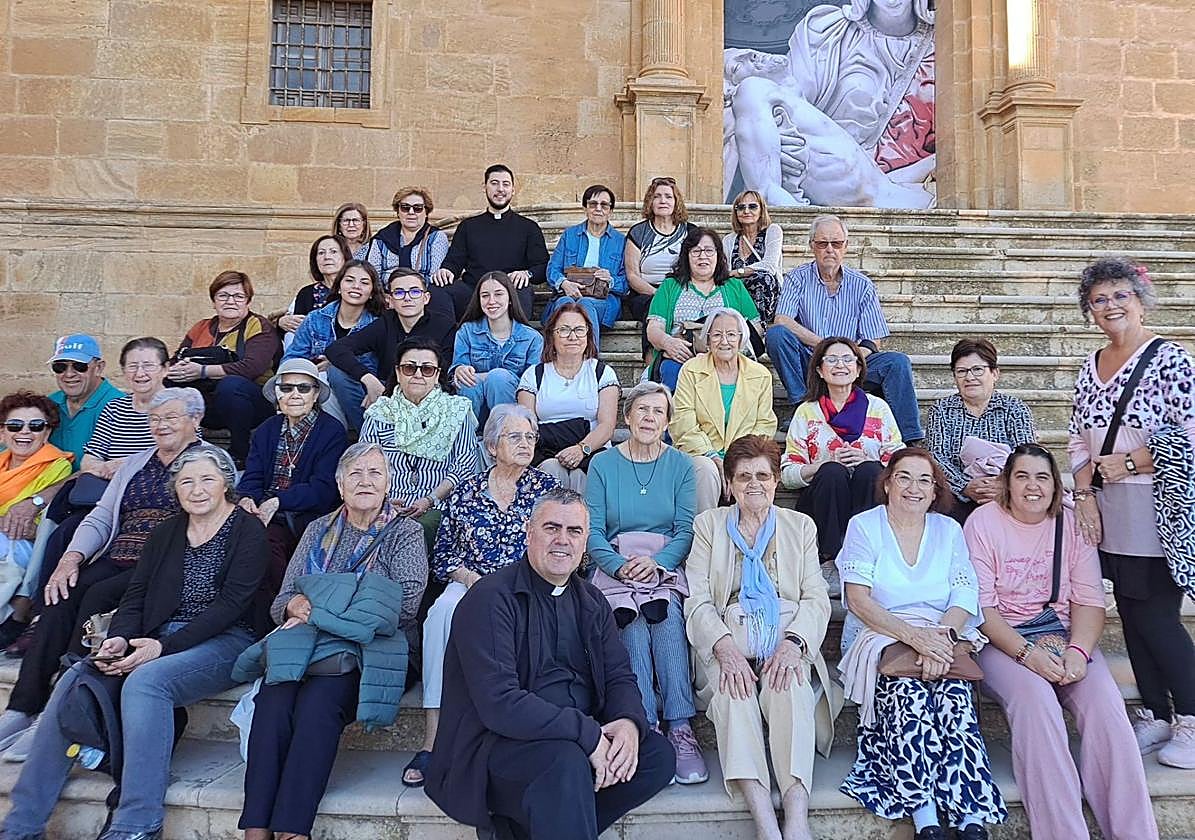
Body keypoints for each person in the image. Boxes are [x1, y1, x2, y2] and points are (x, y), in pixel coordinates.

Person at [0, 444, 267, 840]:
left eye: (207, 480)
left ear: (226, 484)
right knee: (74, 678)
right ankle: (22, 824)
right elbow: (136, 595)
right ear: (175, 489)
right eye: (187, 482)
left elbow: (232, 605)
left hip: (227, 640)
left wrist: (160, 649)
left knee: (147, 682)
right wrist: (120, 638)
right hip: (159, 633)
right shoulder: (166, 532)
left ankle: (137, 823)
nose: (197, 490)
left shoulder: (248, 531)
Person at [424, 487, 676, 840]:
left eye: (574, 531)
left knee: (656, 756)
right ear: (529, 533)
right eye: (551, 528)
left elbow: (619, 675)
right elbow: (500, 705)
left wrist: (628, 724)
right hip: (498, 745)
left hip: (572, 738)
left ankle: (535, 824)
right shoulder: (490, 598)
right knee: (566, 763)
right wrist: (588, 736)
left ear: (585, 542)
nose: (563, 540)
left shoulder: (592, 601)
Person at [964, 443, 1158, 840]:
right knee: (1037, 704)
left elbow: (1089, 600)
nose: (1032, 486)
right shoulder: (982, 523)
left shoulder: (1071, 521)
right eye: (1021, 476)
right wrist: (1027, 654)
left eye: (1042, 477)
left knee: (1106, 706)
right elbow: (982, 610)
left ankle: (1134, 832)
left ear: (1055, 485)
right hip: (1003, 639)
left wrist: (1078, 651)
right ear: (1006, 483)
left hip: (1064, 633)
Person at [238, 442, 428, 840]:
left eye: (375, 473)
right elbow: (283, 600)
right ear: (340, 485)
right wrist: (298, 605)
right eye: (355, 474)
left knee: (318, 704)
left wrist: (319, 607)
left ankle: (292, 829)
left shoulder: (405, 532)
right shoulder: (317, 529)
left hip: (374, 651)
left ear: (388, 483)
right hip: (308, 647)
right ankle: (256, 827)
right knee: (273, 701)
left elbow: (404, 605)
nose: (365, 481)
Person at [0, 388, 204, 757]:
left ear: (196, 420)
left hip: (167, 565)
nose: (161, 425)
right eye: (155, 419)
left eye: (171, 418)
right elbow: (102, 516)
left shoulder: (208, 463)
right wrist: (70, 558)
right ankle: (21, 707)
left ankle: (57, 714)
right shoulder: (137, 462)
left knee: (95, 598)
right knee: (60, 594)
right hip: (119, 555)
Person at [836, 448, 1005, 840]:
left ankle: (969, 813)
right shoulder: (865, 526)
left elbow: (965, 595)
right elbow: (859, 600)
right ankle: (924, 811)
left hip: (942, 632)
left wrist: (941, 640)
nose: (914, 488)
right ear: (888, 484)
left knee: (954, 698)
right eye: (904, 477)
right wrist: (915, 639)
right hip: (881, 632)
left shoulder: (949, 530)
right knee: (908, 693)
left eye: (924, 480)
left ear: (934, 491)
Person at [1068, 256, 1195, 766]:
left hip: (1158, 505)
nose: (1110, 305)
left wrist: (1130, 461)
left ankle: (1191, 717)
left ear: (1141, 300)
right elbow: (1078, 439)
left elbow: (1190, 434)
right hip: (1108, 507)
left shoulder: (1170, 359)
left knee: (1155, 615)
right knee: (1130, 611)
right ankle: (1158, 714)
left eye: (1120, 295)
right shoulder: (1090, 364)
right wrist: (1084, 496)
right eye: (1099, 299)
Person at [684, 435, 840, 840]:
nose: (754, 484)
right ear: (729, 484)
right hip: (728, 644)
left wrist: (793, 644)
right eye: (743, 477)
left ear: (776, 481)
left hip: (785, 644)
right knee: (732, 693)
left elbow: (816, 597)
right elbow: (697, 599)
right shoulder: (709, 526)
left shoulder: (800, 526)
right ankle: (765, 821)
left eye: (762, 476)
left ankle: (796, 815)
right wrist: (724, 648)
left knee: (790, 687)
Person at [407, 406, 558, 787]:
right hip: (472, 582)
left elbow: (559, 550)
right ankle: (433, 738)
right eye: (515, 437)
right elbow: (443, 554)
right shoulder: (467, 490)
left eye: (530, 437)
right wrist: (469, 578)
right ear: (491, 446)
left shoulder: (547, 491)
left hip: (527, 584)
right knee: (441, 613)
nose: (525, 444)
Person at [585, 382, 708, 785]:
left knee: (666, 617)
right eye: (642, 410)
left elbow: (685, 530)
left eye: (658, 412)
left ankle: (680, 725)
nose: (649, 418)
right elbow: (593, 531)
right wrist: (619, 567)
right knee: (630, 624)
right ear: (627, 416)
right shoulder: (602, 464)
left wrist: (657, 564)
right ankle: (645, 727)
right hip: (614, 566)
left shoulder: (681, 465)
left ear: (668, 422)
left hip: (663, 566)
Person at [765, 215, 924, 443]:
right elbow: (782, 319)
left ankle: (909, 439)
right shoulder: (796, 279)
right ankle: (804, 405)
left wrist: (847, 358)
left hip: (852, 363)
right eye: (822, 243)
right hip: (811, 363)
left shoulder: (862, 285)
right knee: (776, 335)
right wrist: (824, 347)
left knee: (897, 362)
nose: (830, 249)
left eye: (836, 243)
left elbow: (873, 340)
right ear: (812, 246)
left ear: (846, 247)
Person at [237, 357, 348, 603]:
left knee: (264, 544)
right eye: (286, 388)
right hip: (265, 512)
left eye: (303, 388)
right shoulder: (266, 430)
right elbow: (252, 476)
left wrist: (278, 501)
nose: (294, 394)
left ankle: (283, 606)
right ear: (278, 395)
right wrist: (247, 498)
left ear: (315, 394)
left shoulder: (332, 431)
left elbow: (323, 490)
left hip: (307, 516)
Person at [782, 337, 903, 562]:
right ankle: (830, 555)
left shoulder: (878, 408)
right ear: (819, 370)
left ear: (858, 369)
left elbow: (900, 463)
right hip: (824, 499)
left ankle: (865, 553)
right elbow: (788, 475)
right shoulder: (807, 411)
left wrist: (867, 459)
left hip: (867, 494)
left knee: (869, 470)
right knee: (832, 472)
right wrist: (823, 464)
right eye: (832, 360)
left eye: (848, 359)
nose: (840, 365)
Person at [360, 338, 480, 549]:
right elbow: (365, 465)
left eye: (426, 369)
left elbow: (464, 466)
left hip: (438, 505)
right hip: (386, 504)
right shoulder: (379, 413)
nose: (417, 374)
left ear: (437, 375)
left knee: (419, 528)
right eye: (409, 368)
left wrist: (429, 500)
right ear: (398, 373)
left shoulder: (456, 411)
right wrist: (384, 503)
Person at [166, 270, 280, 467]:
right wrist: (177, 370)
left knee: (231, 385)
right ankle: (177, 447)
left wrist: (202, 371)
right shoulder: (201, 327)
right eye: (223, 296)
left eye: (238, 296)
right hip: (208, 404)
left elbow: (252, 367)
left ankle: (240, 453)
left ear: (248, 301)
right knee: (167, 383)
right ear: (214, 301)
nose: (230, 301)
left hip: (251, 405)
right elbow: (175, 359)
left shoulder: (258, 325)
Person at [670, 309, 777, 512]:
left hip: (745, 453)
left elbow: (764, 424)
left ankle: (751, 530)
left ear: (741, 339)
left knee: (752, 471)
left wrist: (737, 458)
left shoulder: (760, 374)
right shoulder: (691, 370)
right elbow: (682, 422)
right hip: (701, 453)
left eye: (731, 334)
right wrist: (713, 456)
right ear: (708, 340)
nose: (724, 341)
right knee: (706, 470)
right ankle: (704, 530)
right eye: (717, 334)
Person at [926, 338, 1039, 521]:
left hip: (1005, 491)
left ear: (995, 373)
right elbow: (936, 456)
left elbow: (1027, 455)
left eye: (978, 369)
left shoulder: (1015, 409)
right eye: (961, 371)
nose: (970, 377)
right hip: (956, 494)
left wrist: (1002, 484)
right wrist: (966, 485)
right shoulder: (942, 410)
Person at [324, 268, 455, 418]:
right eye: (399, 293)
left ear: (426, 298)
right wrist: (368, 379)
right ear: (390, 301)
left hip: (426, 393)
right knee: (336, 373)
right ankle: (367, 428)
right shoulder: (385, 324)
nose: (407, 298)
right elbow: (336, 348)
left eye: (415, 292)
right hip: (386, 393)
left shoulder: (444, 326)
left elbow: (443, 373)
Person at [517, 304, 620, 493]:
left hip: (592, 449)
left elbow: (607, 426)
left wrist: (581, 449)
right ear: (552, 335)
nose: (573, 336)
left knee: (584, 476)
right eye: (564, 330)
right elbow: (527, 426)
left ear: (588, 334)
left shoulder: (602, 373)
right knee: (551, 470)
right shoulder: (534, 375)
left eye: (579, 330)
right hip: (546, 450)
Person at [646, 226, 763, 391]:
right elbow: (653, 329)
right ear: (686, 256)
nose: (703, 256)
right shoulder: (670, 286)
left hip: (725, 354)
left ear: (718, 255)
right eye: (696, 251)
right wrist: (668, 343)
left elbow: (756, 328)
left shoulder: (734, 286)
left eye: (709, 250)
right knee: (671, 370)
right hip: (682, 356)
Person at [433, 164, 549, 318]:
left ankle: (517, 335)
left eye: (505, 184)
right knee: (437, 291)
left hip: (511, 290)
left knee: (523, 292)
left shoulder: (528, 227)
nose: (500, 189)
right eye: (494, 183)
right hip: (473, 289)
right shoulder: (468, 226)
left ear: (513, 190)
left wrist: (527, 274)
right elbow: (455, 261)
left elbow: (542, 266)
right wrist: (446, 270)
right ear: (485, 187)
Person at [0, 394, 74, 634]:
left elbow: (34, 526)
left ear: (47, 433)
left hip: (21, 544)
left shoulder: (57, 466)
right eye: (15, 425)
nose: (25, 432)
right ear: (2, 433)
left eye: (36, 426)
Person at [284, 259, 386, 431]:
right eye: (349, 280)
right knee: (317, 380)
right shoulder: (315, 319)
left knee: (335, 373)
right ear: (339, 287)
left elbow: (377, 369)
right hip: (317, 389)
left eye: (364, 282)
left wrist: (335, 362)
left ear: (371, 293)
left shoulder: (378, 325)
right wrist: (312, 369)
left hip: (360, 394)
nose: (356, 286)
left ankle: (362, 433)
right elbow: (291, 360)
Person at [450, 271, 543, 425]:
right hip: (476, 402)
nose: (491, 301)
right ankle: (468, 435)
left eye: (498, 294)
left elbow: (532, 384)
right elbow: (459, 368)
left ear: (510, 298)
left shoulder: (532, 338)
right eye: (485, 296)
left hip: (513, 408)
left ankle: (504, 433)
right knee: (467, 381)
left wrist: (489, 376)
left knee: (498, 377)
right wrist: (459, 369)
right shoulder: (467, 331)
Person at [543, 184, 628, 346]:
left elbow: (627, 281)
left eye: (604, 205)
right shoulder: (570, 235)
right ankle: (554, 356)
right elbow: (552, 269)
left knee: (584, 305)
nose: (598, 209)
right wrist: (564, 283)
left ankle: (590, 357)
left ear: (611, 211)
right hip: (569, 295)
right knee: (565, 304)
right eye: (593, 204)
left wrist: (611, 280)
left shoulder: (620, 241)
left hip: (603, 301)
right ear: (585, 208)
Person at [81, 338, 172, 478]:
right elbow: (90, 458)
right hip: (113, 485)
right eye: (132, 366)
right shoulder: (114, 408)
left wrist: (128, 466)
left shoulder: (179, 407)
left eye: (148, 366)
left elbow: (187, 456)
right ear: (123, 371)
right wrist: (106, 470)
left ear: (165, 369)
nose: (140, 373)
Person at [360, 187, 453, 320]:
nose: (411, 212)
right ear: (398, 211)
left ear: (426, 212)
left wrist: (411, 297)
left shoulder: (436, 237)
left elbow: (434, 276)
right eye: (405, 207)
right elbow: (373, 275)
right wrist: (387, 297)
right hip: (387, 299)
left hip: (423, 299)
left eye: (417, 208)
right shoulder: (382, 238)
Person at [624, 177, 692, 352]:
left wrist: (675, 294)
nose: (663, 201)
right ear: (650, 201)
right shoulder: (638, 232)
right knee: (654, 308)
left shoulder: (690, 232)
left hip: (682, 290)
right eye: (657, 196)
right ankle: (651, 360)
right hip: (647, 292)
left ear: (676, 202)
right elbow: (632, 276)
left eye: (668, 196)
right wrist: (659, 294)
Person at [45, 334, 123, 467]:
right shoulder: (48, 404)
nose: (69, 374)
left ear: (99, 368)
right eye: (60, 367)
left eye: (79, 366)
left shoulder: (120, 408)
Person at [278, 235, 352, 345]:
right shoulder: (306, 293)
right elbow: (295, 330)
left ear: (345, 257)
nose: (327, 257)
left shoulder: (355, 290)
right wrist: (281, 323)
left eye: (333, 252)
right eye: (321, 253)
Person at [722, 190, 783, 323]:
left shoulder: (773, 231)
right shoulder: (729, 240)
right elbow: (725, 272)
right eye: (741, 207)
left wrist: (739, 272)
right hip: (738, 292)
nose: (746, 211)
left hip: (766, 292)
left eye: (753, 206)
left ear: (761, 210)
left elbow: (770, 266)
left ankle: (760, 326)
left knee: (762, 278)